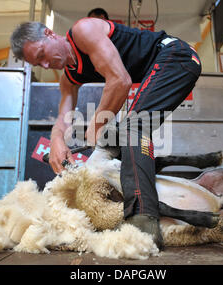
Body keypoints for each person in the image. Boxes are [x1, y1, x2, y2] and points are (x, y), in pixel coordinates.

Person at [10, 18, 201, 249]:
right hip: (163, 65)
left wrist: (95, 129)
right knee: (127, 134)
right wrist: (56, 140)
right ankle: (137, 212)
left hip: (176, 54)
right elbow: (63, 118)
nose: (46, 65)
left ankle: (144, 225)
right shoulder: (69, 79)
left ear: (50, 34)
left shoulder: (83, 31)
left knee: (133, 128)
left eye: (42, 55)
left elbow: (120, 81)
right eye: (39, 65)